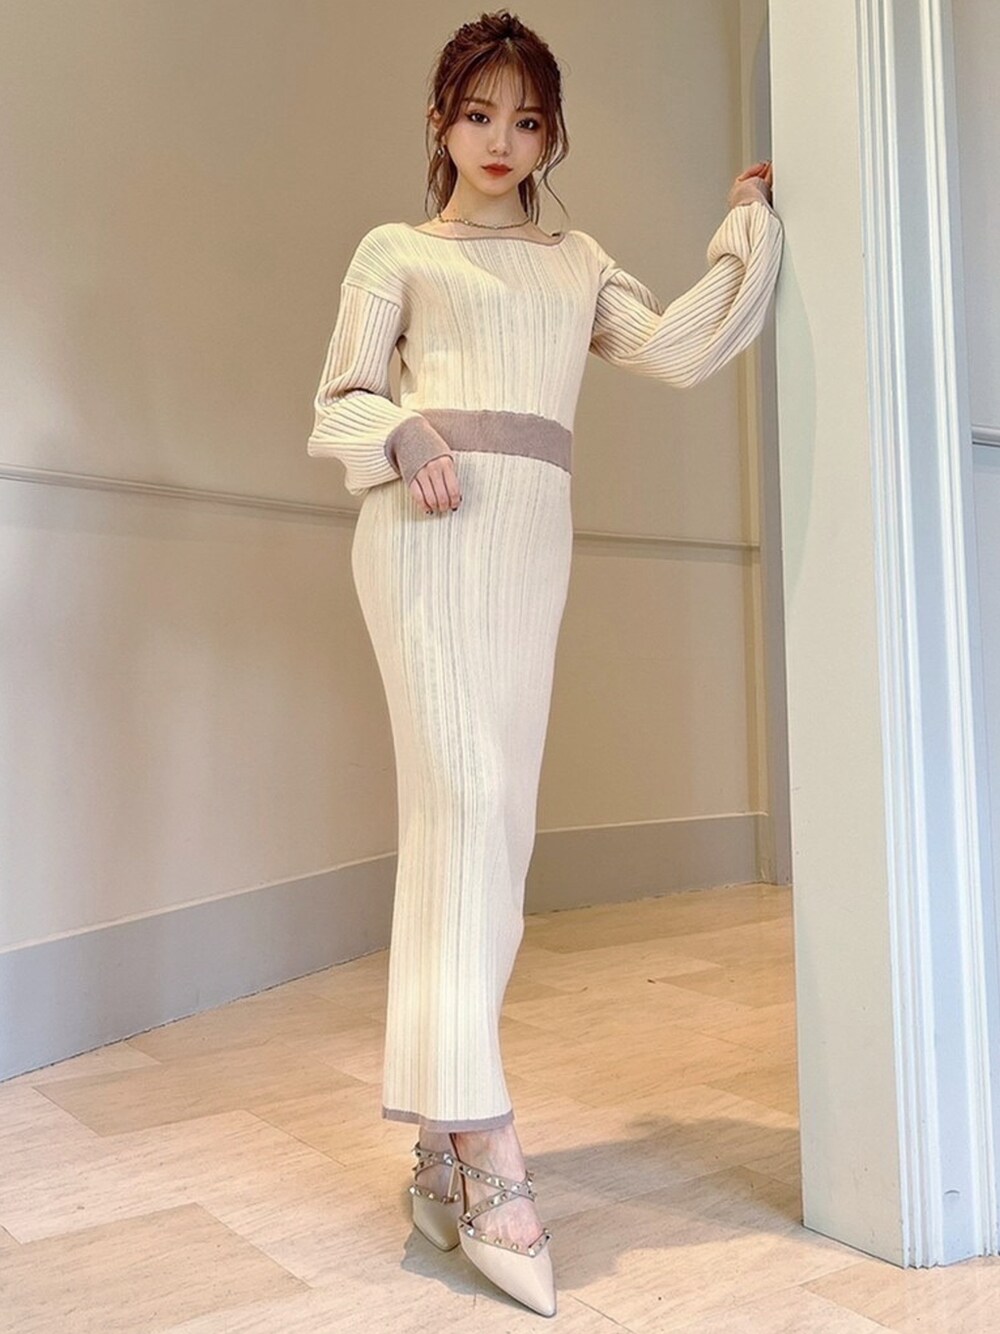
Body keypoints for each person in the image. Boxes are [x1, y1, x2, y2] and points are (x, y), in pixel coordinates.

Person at [306, 9, 783, 1318]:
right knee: (464, 808)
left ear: (551, 133)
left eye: (526, 120)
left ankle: (437, 1140)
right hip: (424, 542)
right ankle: (486, 1136)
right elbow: (339, 398)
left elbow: (679, 347)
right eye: (479, 114)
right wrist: (402, 433)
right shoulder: (397, 250)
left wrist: (748, 229)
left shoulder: (577, 264)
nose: (501, 140)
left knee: (495, 830)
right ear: (440, 120)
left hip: (527, 556)